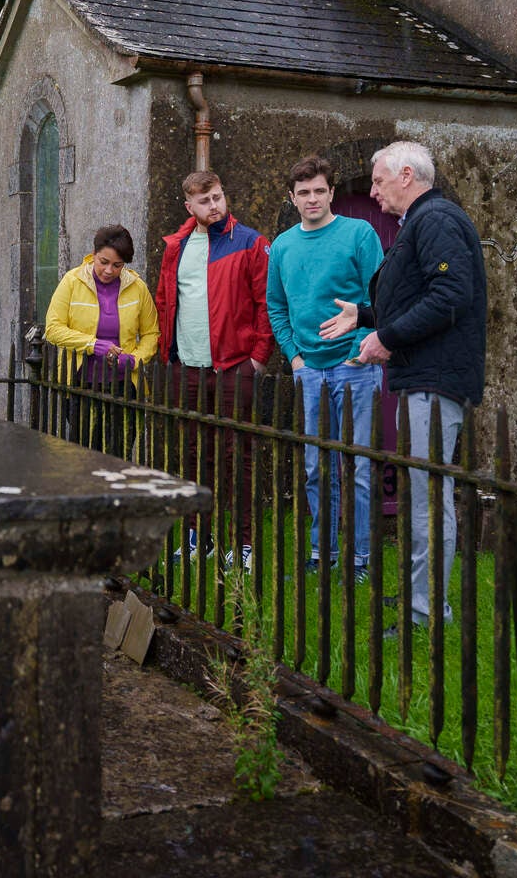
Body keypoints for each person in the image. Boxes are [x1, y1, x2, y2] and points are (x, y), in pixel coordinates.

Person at [322, 140, 486, 628]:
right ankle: (421, 598)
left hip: (435, 381)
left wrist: (385, 338)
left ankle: (427, 611)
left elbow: (452, 294)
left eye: (378, 180)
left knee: (427, 495)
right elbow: (420, 297)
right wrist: (366, 316)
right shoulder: (423, 221)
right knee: (421, 492)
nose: (372, 191)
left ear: (407, 176)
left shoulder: (434, 220)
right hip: (425, 376)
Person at [266, 155, 384, 580]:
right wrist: (294, 358)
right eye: (303, 193)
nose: (312, 199)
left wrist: (362, 347)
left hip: (355, 365)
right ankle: (323, 550)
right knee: (316, 466)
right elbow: (276, 307)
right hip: (310, 370)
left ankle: (360, 556)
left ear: (332, 192)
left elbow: (383, 297)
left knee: (358, 466)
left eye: (319, 190)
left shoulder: (359, 234)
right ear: (292, 198)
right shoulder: (281, 246)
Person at [154, 170, 271, 569]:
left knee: (237, 456)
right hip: (187, 365)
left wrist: (257, 358)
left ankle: (242, 544)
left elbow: (265, 303)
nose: (215, 205)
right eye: (205, 201)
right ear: (190, 206)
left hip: (234, 365)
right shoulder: (176, 247)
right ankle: (196, 537)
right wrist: (166, 351)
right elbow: (166, 301)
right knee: (189, 454)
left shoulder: (251, 242)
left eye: (218, 197)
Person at [43, 225, 159, 453]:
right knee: (84, 452)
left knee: (120, 451)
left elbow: (151, 333)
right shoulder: (72, 281)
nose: (109, 270)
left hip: (124, 385)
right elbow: (53, 329)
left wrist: (134, 359)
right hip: (80, 382)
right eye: (103, 261)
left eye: (117, 265)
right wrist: (93, 345)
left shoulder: (137, 287)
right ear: (93, 254)